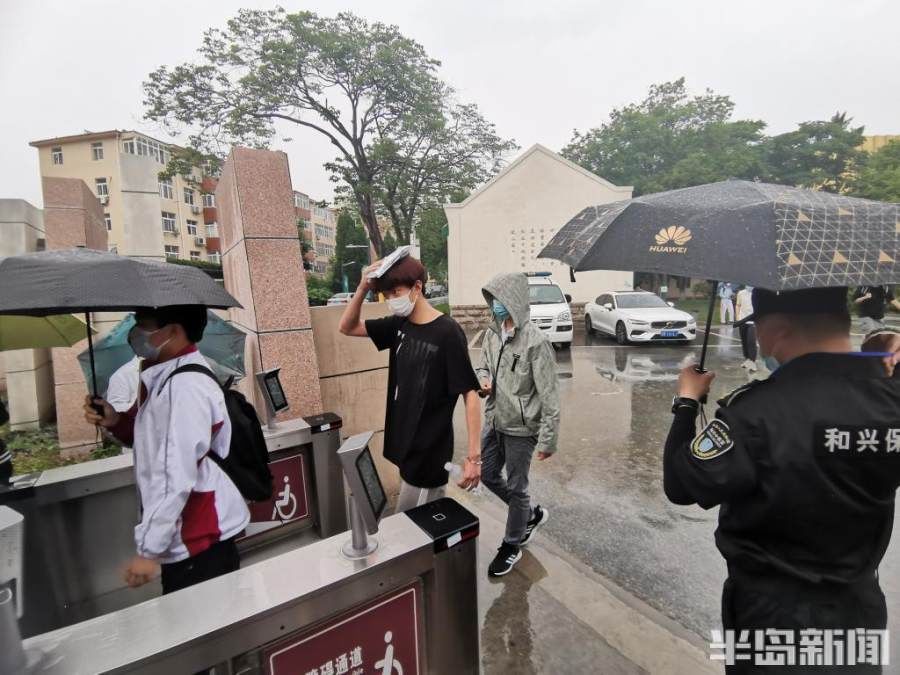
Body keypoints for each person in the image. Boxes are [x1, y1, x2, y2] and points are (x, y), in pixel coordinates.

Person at [663, 287, 900, 674]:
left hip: (771, 620)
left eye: (757, 325)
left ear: (777, 331)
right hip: (859, 612)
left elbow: (680, 483)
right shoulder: (889, 397)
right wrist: (878, 349)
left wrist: (687, 401)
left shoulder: (755, 413)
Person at [84, 305, 249, 595]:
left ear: (173, 331)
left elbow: (175, 474)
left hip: (198, 540)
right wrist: (115, 420)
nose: (135, 333)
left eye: (143, 325)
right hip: (187, 540)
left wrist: (148, 551)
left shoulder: (184, 388)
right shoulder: (160, 377)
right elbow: (148, 439)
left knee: (204, 634)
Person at [339, 255, 482, 511]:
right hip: (405, 448)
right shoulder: (399, 324)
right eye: (387, 294)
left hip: (429, 453)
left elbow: (470, 394)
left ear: (417, 287)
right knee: (416, 531)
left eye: (396, 292)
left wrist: (474, 458)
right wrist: (362, 288)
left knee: (412, 534)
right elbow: (347, 327)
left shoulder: (447, 332)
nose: (392, 299)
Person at [476, 272, 560, 577]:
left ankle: (511, 545)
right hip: (494, 419)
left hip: (522, 430)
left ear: (514, 300)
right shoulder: (492, 333)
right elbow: (483, 364)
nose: (496, 305)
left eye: (501, 298)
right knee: (487, 475)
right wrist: (483, 378)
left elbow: (550, 394)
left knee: (517, 485)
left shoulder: (536, 342)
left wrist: (548, 438)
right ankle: (530, 514)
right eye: (492, 298)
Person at [734, 285, 757, 372]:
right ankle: (747, 359)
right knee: (744, 341)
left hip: (753, 321)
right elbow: (738, 305)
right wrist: (737, 318)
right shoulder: (741, 293)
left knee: (751, 341)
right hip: (742, 320)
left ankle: (752, 362)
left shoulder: (758, 293)